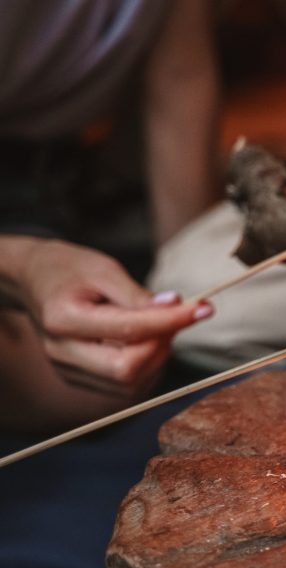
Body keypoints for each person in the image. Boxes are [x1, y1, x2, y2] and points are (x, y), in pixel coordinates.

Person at [0, 0, 220, 432]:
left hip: (49, 180)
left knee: (108, 366)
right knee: (68, 389)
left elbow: (181, 76)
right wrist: (22, 265)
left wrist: (189, 280)